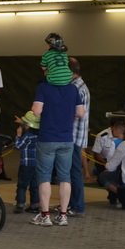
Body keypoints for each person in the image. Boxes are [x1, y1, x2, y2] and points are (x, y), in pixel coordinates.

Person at [30, 77, 84, 227]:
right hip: (67, 138)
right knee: (65, 177)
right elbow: (80, 112)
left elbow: (36, 110)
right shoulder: (73, 89)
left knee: (44, 177)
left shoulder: (43, 87)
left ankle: (45, 215)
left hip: (47, 137)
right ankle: (63, 215)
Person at [67, 57, 90, 217]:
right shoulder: (79, 86)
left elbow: (76, 114)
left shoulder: (76, 89)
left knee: (74, 171)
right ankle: (72, 204)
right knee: (72, 170)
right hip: (77, 135)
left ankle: (77, 205)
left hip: (74, 135)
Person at [92, 118, 125, 205]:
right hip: (104, 162)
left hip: (120, 163)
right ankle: (115, 194)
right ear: (113, 128)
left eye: (122, 132)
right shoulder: (102, 136)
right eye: (118, 132)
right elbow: (96, 153)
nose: (119, 134)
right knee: (103, 178)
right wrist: (105, 164)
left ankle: (116, 195)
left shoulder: (124, 136)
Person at [14, 111, 41, 214]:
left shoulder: (27, 136)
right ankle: (34, 205)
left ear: (27, 126)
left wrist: (18, 135)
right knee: (34, 185)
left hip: (26, 165)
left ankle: (20, 205)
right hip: (36, 165)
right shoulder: (38, 135)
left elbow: (18, 146)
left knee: (22, 185)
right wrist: (21, 122)